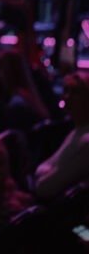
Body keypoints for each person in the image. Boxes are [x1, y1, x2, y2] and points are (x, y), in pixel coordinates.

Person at [33, 70, 89, 200]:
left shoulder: (86, 142)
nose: (67, 97)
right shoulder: (76, 131)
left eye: (75, 92)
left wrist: (39, 178)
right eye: (66, 91)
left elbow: (45, 187)